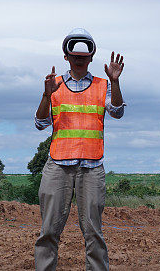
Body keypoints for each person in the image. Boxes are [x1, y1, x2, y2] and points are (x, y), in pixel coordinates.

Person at [34, 28, 125, 271]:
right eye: (74, 53)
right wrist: (45, 95)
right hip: (58, 166)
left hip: (92, 167)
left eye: (84, 54)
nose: (79, 58)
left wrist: (115, 82)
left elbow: (117, 111)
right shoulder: (53, 86)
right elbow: (40, 124)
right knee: (48, 232)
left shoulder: (102, 85)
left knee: (94, 234)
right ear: (66, 56)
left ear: (91, 57)